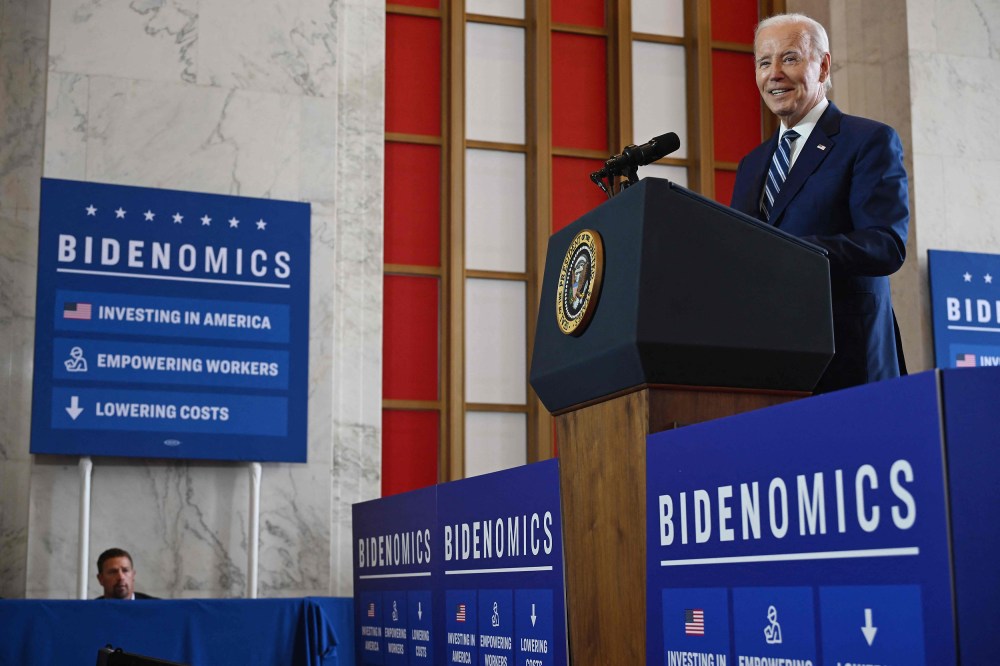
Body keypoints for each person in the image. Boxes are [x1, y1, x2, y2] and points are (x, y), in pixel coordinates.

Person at [730, 13, 909, 393]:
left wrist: (791, 252)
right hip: (770, 367)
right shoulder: (751, 165)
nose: (774, 74)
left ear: (823, 65)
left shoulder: (867, 140)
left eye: (789, 58)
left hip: (848, 363)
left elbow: (886, 245)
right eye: (764, 62)